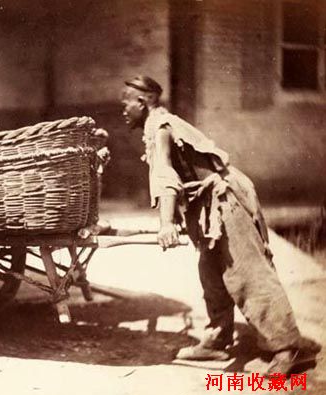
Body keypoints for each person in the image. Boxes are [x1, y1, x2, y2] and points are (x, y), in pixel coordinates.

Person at [121, 75, 315, 374]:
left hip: (225, 200)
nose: (123, 109)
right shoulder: (155, 126)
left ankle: (286, 347)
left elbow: (166, 178)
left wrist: (166, 223)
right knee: (211, 274)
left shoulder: (161, 127)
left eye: (126, 103)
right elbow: (178, 176)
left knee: (248, 272)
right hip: (206, 205)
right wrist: (177, 217)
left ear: (142, 102)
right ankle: (217, 339)